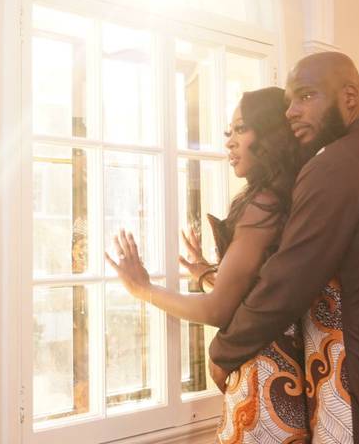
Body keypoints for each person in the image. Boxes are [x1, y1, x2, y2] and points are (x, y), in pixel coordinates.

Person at [208, 52, 359, 444]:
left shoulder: (334, 168)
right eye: (288, 101)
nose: (291, 111)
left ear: (349, 97)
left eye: (306, 96)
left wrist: (224, 350)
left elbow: (286, 282)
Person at [106, 87, 313, 443]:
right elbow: (256, 292)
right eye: (227, 133)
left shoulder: (263, 203)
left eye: (241, 129)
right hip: (287, 380)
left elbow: (219, 310)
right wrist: (205, 272)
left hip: (262, 380)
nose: (230, 142)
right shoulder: (290, 196)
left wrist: (143, 289)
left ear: (270, 132)